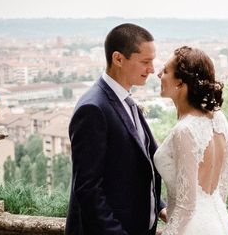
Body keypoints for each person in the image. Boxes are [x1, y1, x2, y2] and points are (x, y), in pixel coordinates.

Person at [66, 23, 166, 235]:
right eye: (145, 62)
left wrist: (159, 205)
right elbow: (88, 189)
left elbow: (138, 168)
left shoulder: (126, 101)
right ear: (118, 59)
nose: (152, 69)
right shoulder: (93, 108)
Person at [154, 46, 228, 235]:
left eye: (165, 71)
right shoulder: (218, 119)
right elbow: (223, 185)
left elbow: (186, 206)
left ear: (180, 83)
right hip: (219, 222)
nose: (158, 74)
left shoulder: (184, 130)